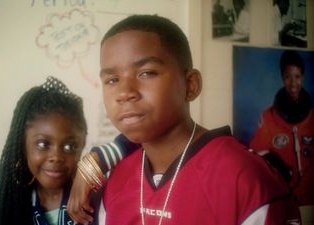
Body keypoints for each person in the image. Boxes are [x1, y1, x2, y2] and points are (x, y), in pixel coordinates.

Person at [68, 14, 302, 225]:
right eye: (112, 80)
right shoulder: (114, 179)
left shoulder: (244, 178)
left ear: (190, 85)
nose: (124, 92)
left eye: (146, 73)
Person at [0, 76, 94, 225]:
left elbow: (134, 143)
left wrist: (95, 159)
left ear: (82, 145)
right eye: (43, 144)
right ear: (24, 147)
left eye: (70, 146)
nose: (56, 157)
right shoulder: (15, 204)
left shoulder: (91, 198)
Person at [250, 50, 314, 207]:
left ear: (303, 77)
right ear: (282, 78)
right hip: (282, 201)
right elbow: (256, 152)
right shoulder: (268, 117)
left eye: (297, 77)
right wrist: (276, 166)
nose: (293, 83)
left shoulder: (312, 117)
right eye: (288, 77)